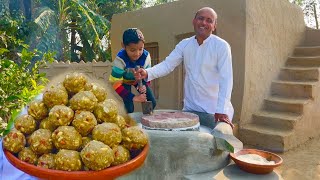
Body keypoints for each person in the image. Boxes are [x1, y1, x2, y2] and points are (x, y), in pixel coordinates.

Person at [134, 7, 234, 133]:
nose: (204, 23)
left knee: (216, 145)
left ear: (214, 26)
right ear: (194, 21)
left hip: (214, 111)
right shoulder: (184, 44)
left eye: (209, 20)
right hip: (191, 109)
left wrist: (222, 110)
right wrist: (148, 72)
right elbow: (167, 65)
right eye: (201, 18)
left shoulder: (221, 46)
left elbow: (226, 79)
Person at [109, 28, 156, 113]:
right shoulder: (120, 60)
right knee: (129, 108)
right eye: (132, 50)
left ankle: (146, 120)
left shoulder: (146, 57)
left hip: (139, 80)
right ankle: (129, 124)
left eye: (140, 49)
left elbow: (148, 74)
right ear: (123, 46)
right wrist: (133, 97)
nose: (137, 54)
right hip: (124, 82)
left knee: (152, 102)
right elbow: (115, 84)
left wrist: (145, 85)